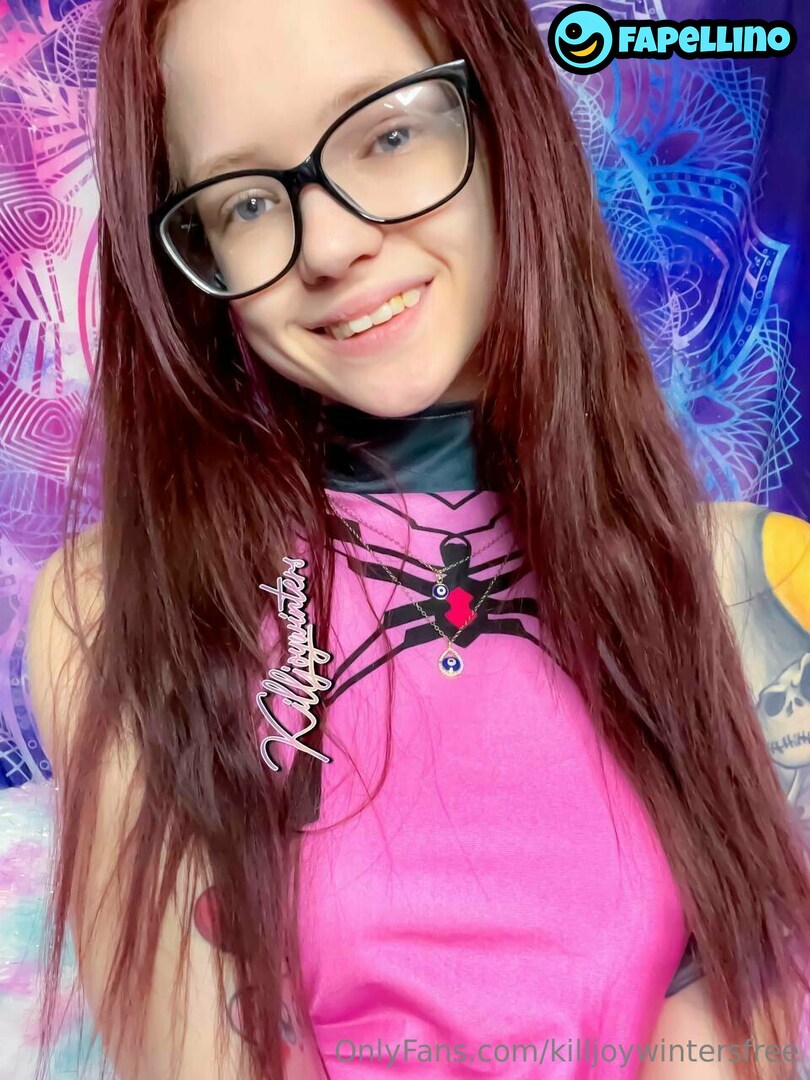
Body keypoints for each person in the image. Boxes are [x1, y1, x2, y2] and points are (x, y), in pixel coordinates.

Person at [23, 0, 810, 1077]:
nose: (331, 245)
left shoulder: (744, 581)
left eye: (388, 134)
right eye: (247, 200)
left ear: (505, 121)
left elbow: (732, 1033)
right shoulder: (116, 607)